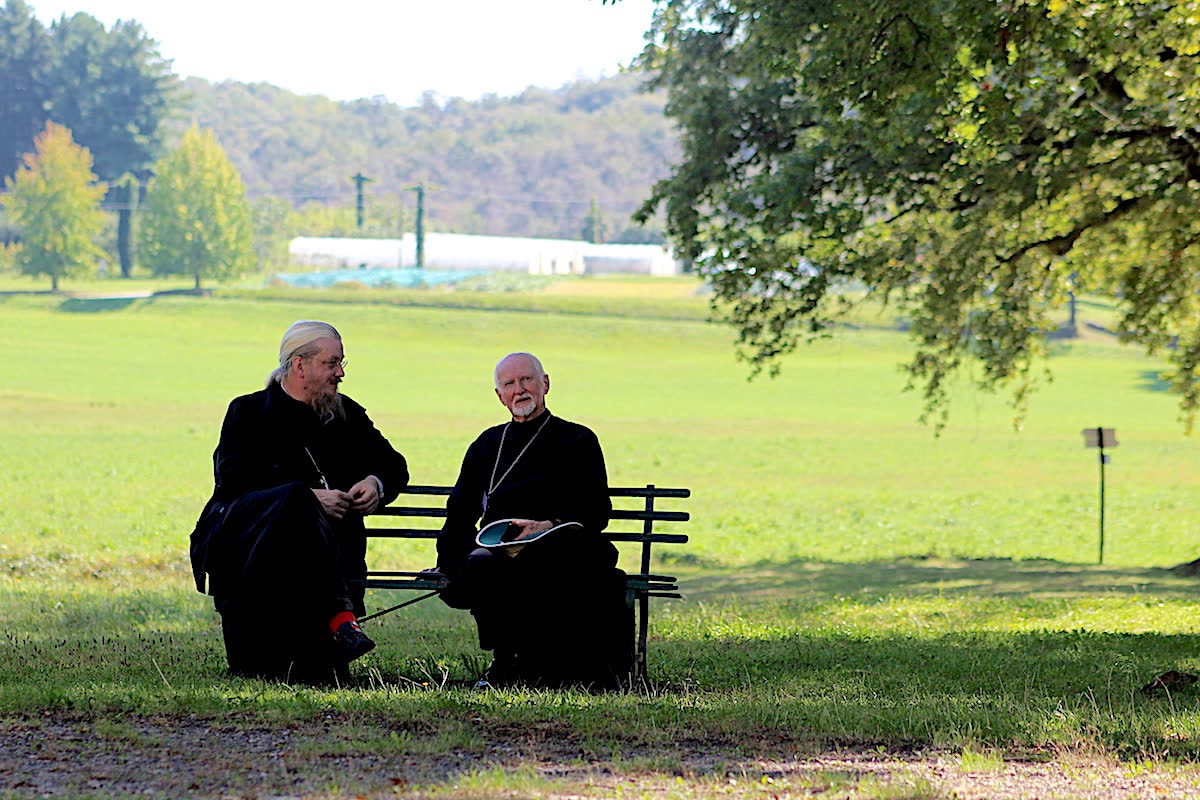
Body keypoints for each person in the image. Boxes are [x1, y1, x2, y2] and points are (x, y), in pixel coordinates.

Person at [190, 320, 409, 683]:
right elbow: (233, 480)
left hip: (324, 564)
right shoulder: (248, 412)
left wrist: (375, 482)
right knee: (293, 497)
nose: (340, 373)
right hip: (254, 559)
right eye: (331, 363)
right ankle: (341, 619)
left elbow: (394, 466)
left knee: (317, 675)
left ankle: (336, 625)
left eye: (342, 364)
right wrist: (308, 500)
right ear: (299, 365)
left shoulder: (346, 414)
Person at [435, 352, 631, 688]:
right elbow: (461, 509)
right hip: (500, 547)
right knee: (482, 566)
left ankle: (547, 666)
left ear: (545, 384)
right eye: (509, 384)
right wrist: (449, 560)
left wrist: (548, 526)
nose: (520, 390)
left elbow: (596, 509)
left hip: (562, 543)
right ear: (500, 396)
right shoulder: (487, 444)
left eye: (526, 379)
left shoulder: (578, 439)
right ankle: (506, 663)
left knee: (551, 565)